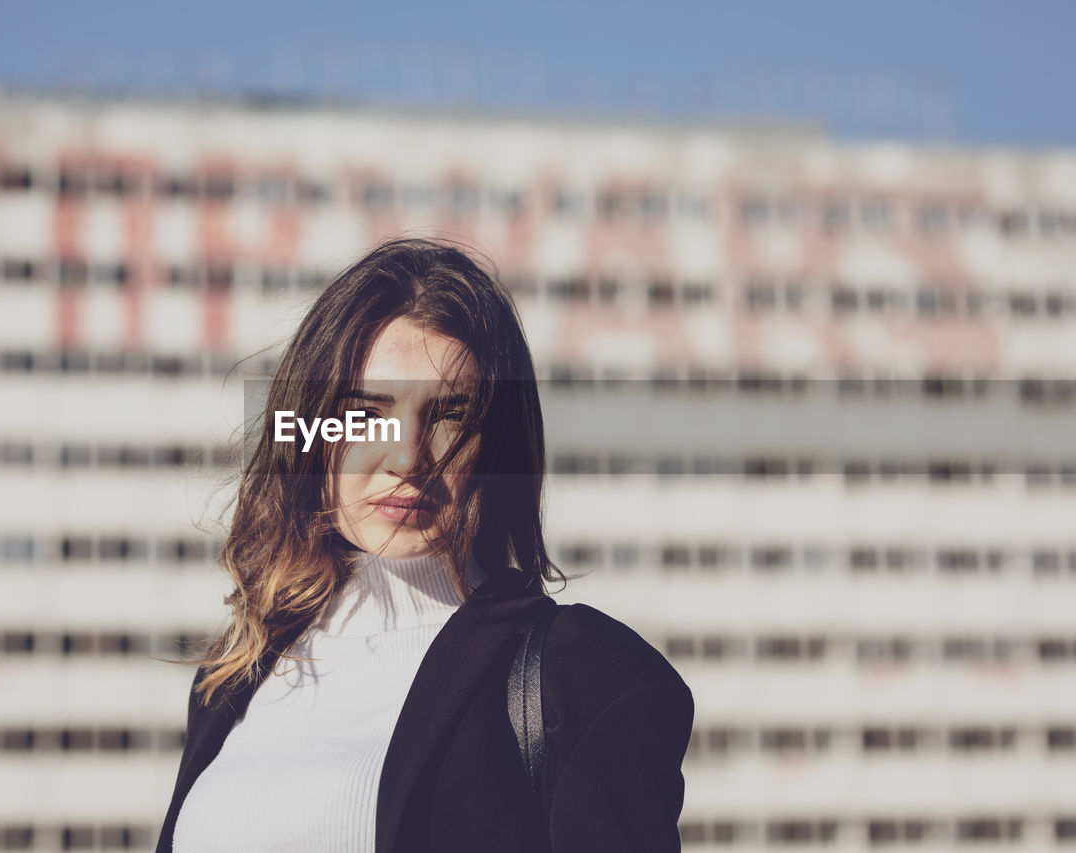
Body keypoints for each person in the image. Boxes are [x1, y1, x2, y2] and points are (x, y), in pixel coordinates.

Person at [157, 238, 694, 852]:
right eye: (365, 413)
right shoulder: (237, 672)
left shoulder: (584, 676)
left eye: (451, 416)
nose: (408, 458)